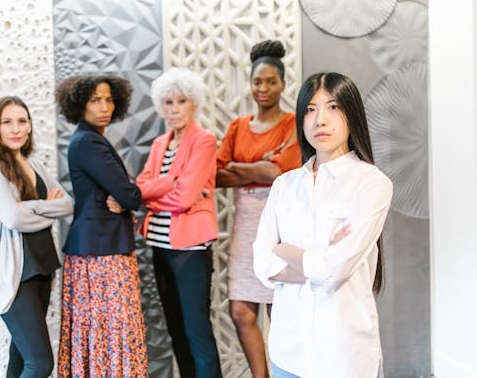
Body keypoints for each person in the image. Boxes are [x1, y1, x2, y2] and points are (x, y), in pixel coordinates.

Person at [253, 72, 393, 378]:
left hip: (345, 356)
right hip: (288, 353)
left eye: (333, 107)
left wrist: (284, 249)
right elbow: (262, 264)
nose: (320, 120)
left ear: (351, 114)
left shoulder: (372, 184)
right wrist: (318, 261)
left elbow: (336, 269)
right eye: (310, 110)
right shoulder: (284, 185)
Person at [216, 40, 301, 378]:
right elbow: (216, 175)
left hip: (280, 222)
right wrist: (259, 167)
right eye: (257, 82)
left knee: (278, 310)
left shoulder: (293, 125)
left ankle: (283, 372)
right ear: (250, 85)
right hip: (245, 225)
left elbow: (280, 172)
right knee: (241, 311)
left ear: (282, 84)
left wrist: (240, 167)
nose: (263, 89)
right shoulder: (238, 126)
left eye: (271, 82)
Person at [54, 74, 148, 377]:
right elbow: (129, 194)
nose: (104, 107)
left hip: (97, 249)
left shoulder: (89, 139)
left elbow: (124, 193)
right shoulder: (88, 142)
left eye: (109, 100)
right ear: (79, 104)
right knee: (111, 331)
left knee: (101, 332)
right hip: (101, 254)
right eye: (95, 100)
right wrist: (128, 193)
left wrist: (125, 194)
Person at [0, 96, 73, 378]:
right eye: (7, 122)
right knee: (40, 364)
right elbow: (13, 218)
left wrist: (28, 206)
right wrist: (46, 208)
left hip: (43, 268)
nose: (15, 128)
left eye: (21, 121)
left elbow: (67, 205)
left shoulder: (34, 163)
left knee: (20, 360)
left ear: (30, 126)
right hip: (16, 275)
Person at [137, 67, 222, 378]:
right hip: (159, 244)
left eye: (181, 101)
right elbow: (140, 187)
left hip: (190, 249)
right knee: (176, 330)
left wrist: (157, 192)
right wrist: (170, 182)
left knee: (196, 330)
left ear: (194, 103)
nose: (174, 109)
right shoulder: (159, 144)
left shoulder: (204, 141)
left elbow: (185, 198)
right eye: (168, 102)